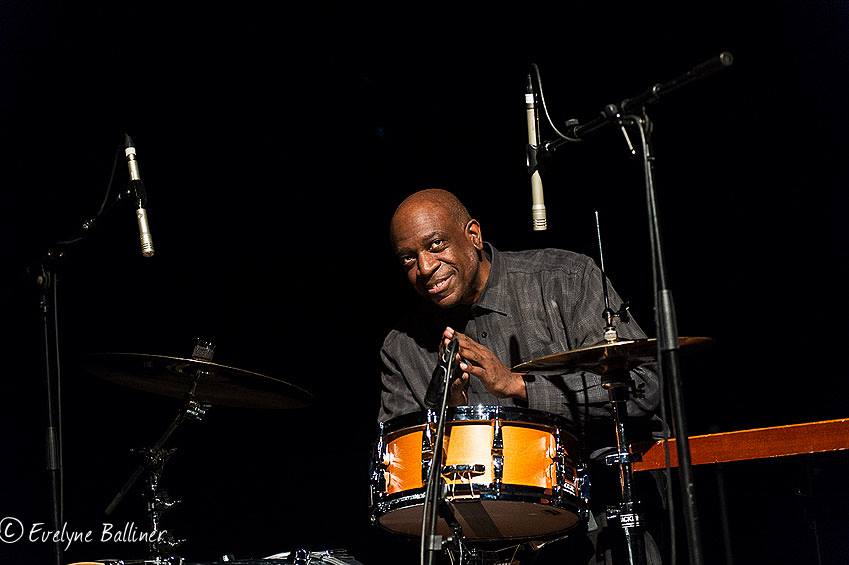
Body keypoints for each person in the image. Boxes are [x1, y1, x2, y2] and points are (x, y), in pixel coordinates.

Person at [377, 188, 664, 564]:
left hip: (601, 522)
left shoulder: (565, 279)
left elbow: (643, 385)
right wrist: (452, 420)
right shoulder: (402, 347)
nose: (425, 267)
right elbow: (398, 474)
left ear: (473, 235)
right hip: (482, 543)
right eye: (408, 258)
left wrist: (516, 386)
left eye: (436, 245)